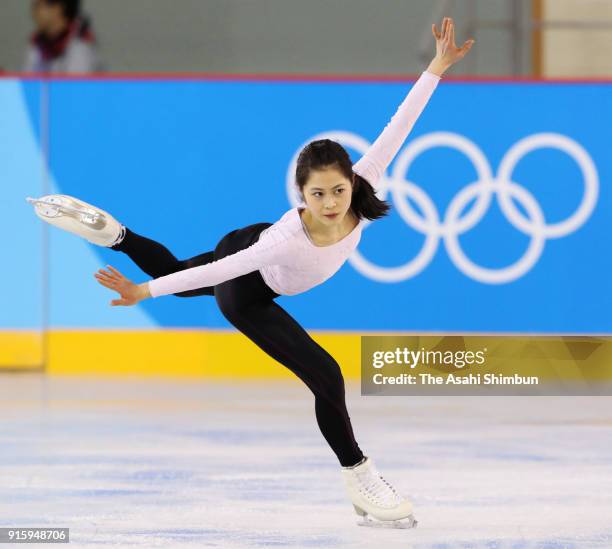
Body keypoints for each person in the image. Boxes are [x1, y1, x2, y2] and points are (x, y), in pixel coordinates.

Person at [27, 18, 473, 527]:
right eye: (316, 195)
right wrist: (142, 291)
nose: (330, 204)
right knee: (325, 374)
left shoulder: (364, 183)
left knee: (177, 267)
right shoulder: (286, 237)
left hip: (247, 243)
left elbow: (400, 124)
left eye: (338, 191)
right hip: (249, 282)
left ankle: (116, 235)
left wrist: (436, 66)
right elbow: (226, 269)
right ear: (300, 196)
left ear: (352, 182)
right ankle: (361, 477)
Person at [23, 0, 102, 73]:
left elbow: (78, 86)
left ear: (58, 8)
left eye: (38, 5)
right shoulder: (37, 44)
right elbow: (28, 82)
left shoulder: (81, 46)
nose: (34, 12)